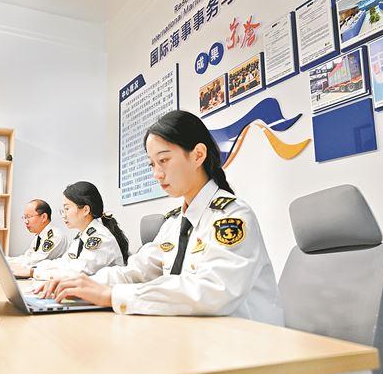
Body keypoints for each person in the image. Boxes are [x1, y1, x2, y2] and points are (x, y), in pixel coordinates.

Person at [35, 110, 284, 326]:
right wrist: (80, 283)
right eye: (152, 164)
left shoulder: (231, 216)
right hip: (192, 334)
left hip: (244, 344)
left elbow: (213, 291)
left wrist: (112, 296)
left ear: (198, 155)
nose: (157, 173)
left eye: (163, 160)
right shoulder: (174, 223)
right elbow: (136, 271)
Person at [28, 181, 129, 280]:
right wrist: (33, 269)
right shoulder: (82, 236)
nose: (64, 215)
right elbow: (65, 262)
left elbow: (78, 273)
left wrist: (33, 273)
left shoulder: (101, 238)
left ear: (85, 210)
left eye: (67, 209)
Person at [0, 199, 67, 274]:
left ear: (44, 217)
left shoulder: (54, 236)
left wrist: (3, 262)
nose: (26, 221)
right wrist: (3, 260)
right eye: (25, 217)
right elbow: (27, 257)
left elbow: (33, 262)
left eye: (29, 217)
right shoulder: (39, 236)